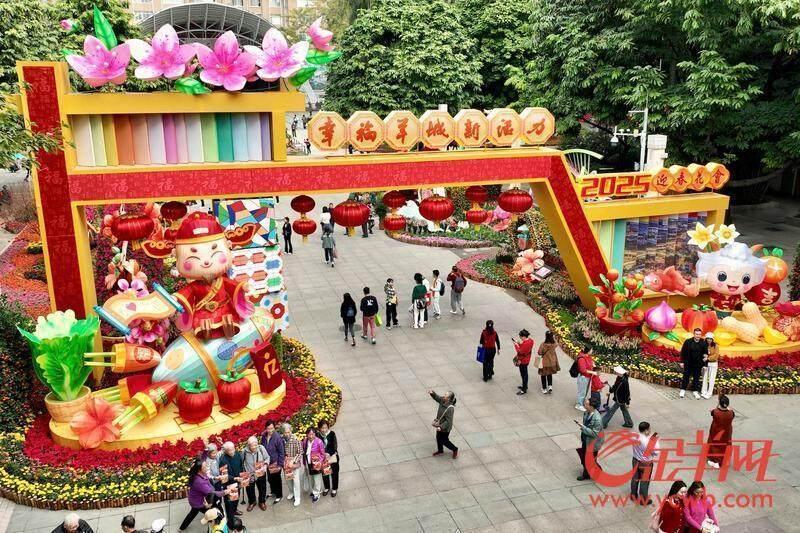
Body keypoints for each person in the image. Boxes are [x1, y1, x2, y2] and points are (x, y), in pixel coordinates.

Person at [179, 460, 224, 531]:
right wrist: (225, 492)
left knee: (193, 513)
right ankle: (216, 527)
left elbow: (208, 480)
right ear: (199, 470)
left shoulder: (201, 474)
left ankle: (181, 528)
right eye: (205, 466)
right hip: (198, 502)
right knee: (213, 513)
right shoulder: (199, 481)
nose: (207, 467)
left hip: (197, 499)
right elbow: (211, 492)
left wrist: (215, 478)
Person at [630, 421, 659, 505]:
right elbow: (655, 452)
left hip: (635, 460)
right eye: (649, 429)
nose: (650, 431)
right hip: (646, 463)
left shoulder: (634, 436)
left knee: (635, 478)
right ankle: (643, 500)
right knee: (644, 481)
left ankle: (633, 495)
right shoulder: (647, 442)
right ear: (646, 430)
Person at [576, 397, 603, 481]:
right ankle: (586, 474)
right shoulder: (586, 412)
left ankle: (598, 472)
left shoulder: (597, 419)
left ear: (591, 406)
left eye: (586, 404)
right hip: (586, 439)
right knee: (585, 458)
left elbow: (594, 433)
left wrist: (583, 428)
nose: (585, 405)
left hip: (593, 443)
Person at [218, 441, 244, 523]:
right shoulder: (223, 460)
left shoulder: (237, 454)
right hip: (229, 484)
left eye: (233, 449)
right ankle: (230, 519)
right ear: (225, 451)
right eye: (229, 450)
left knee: (236, 499)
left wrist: (242, 476)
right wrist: (235, 478)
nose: (232, 451)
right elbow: (224, 476)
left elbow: (241, 465)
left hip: (238, 481)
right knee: (230, 503)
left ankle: (235, 510)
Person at [428, 389, 458, 458]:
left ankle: (455, 449)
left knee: (444, 440)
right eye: (444, 394)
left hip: (445, 428)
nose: (444, 396)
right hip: (440, 424)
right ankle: (440, 450)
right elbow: (437, 398)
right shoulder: (443, 400)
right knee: (438, 438)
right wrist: (432, 393)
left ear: (449, 399)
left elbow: (448, 421)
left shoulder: (450, 408)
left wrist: (441, 427)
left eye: (445, 395)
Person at [707, 394, 734, 469]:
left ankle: (716, 462)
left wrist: (718, 404)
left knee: (715, 445)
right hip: (726, 433)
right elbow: (729, 410)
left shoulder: (716, 412)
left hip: (716, 432)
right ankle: (723, 459)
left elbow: (713, 412)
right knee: (724, 445)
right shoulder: (731, 413)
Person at [242, 436, 269, 511]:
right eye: (252, 446)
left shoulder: (261, 448)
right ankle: (252, 502)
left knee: (262, 488)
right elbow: (241, 462)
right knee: (249, 489)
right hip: (250, 474)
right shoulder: (244, 451)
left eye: (255, 445)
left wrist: (265, 466)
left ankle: (262, 502)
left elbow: (267, 458)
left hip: (260, 472)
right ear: (248, 445)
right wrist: (244, 473)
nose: (254, 447)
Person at [680, 328, 708, 399]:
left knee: (696, 378)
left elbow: (705, 354)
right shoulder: (688, 341)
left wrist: (705, 365)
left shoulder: (703, 342)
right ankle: (683, 390)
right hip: (688, 363)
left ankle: (695, 391)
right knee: (686, 377)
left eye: (699, 334)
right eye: (696, 334)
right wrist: (682, 362)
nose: (698, 336)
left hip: (698, 364)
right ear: (694, 334)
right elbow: (683, 352)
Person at [261, 419, 284, 504]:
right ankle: (273, 491)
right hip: (267, 462)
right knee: (270, 479)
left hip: (275, 462)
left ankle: (279, 495)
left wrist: (280, 464)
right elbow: (262, 448)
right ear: (266, 428)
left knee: (276, 479)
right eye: (268, 428)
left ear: (274, 428)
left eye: (272, 428)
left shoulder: (277, 437)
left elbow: (281, 451)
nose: (270, 430)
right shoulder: (264, 436)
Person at [282, 423, 304, 507]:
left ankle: (297, 497)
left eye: (288, 432)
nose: (287, 434)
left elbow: (300, 452)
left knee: (295, 480)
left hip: (294, 463)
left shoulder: (295, 439)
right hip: (286, 463)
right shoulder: (282, 439)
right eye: (285, 432)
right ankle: (291, 492)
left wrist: (293, 461)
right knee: (288, 479)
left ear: (291, 431)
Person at [302, 427, 326, 502]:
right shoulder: (305, 441)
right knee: (311, 478)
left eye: (312, 434)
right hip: (308, 463)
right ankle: (314, 491)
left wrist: (318, 462)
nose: (311, 436)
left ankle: (317, 493)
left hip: (316, 464)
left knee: (317, 479)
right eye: (309, 434)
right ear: (307, 434)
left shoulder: (319, 442)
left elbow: (323, 454)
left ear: (315, 434)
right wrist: (304, 463)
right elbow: (304, 452)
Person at [318, 419, 339, 497]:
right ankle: (327, 487)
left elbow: (335, 446)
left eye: (325, 428)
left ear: (328, 427)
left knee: (334, 473)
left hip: (332, 456)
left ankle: (334, 488)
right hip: (323, 458)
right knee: (325, 473)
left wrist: (328, 453)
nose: (324, 430)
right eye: (322, 428)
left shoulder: (332, 434)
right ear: (319, 428)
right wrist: (323, 454)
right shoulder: (318, 435)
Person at [512, 329, 534, 395]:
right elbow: (525, 349)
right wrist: (520, 344)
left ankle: (524, 389)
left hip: (523, 361)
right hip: (527, 359)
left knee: (523, 375)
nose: (520, 338)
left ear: (524, 336)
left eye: (521, 337)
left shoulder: (525, 343)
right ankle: (524, 386)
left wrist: (516, 345)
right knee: (525, 374)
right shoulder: (531, 341)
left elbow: (520, 351)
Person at [701, 333, 719, 399]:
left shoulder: (716, 346)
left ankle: (709, 393)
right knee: (705, 378)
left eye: (710, 339)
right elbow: (701, 352)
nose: (709, 340)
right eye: (708, 338)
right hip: (706, 364)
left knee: (711, 379)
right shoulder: (704, 345)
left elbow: (716, 355)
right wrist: (703, 355)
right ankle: (704, 391)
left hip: (713, 364)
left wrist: (708, 358)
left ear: (712, 339)